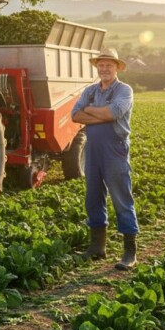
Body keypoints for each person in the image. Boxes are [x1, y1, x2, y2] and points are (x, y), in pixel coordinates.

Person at [70, 48, 138, 270]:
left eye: (109, 65)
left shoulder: (124, 90)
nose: (104, 68)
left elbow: (114, 112)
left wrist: (91, 112)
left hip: (115, 149)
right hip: (93, 149)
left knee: (121, 197)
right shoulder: (90, 90)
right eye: (101, 64)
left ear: (117, 67)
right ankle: (97, 247)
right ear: (96, 67)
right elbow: (75, 115)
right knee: (93, 196)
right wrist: (101, 113)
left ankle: (130, 252)